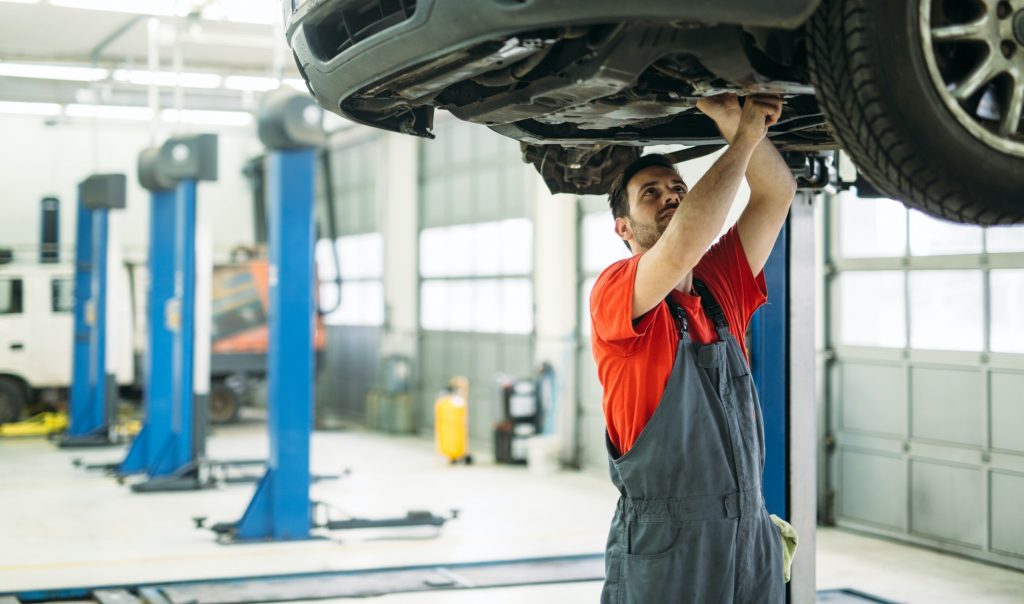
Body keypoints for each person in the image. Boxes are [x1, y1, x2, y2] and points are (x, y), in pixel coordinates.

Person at [590, 93, 797, 604]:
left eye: (677, 187)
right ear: (623, 227)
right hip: (670, 548)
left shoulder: (716, 287)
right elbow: (683, 241)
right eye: (650, 194)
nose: (671, 196)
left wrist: (733, 121)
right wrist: (745, 140)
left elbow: (777, 194)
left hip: (750, 539)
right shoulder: (618, 292)